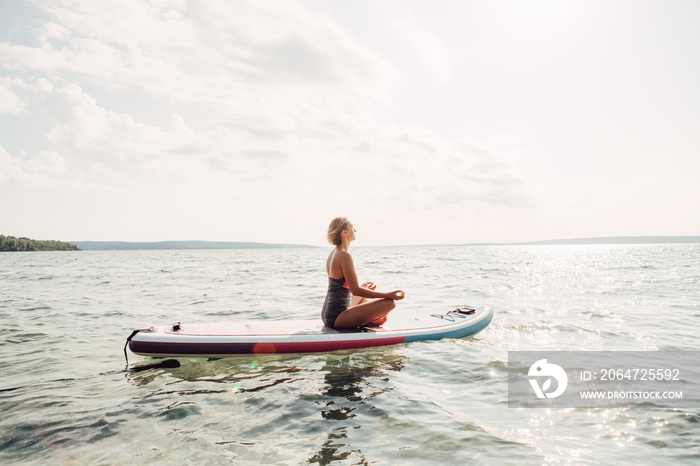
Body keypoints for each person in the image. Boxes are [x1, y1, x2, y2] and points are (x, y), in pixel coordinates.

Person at [321, 217, 405, 329]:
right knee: (389, 303)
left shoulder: (334, 253)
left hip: (328, 313)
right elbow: (355, 290)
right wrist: (387, 295)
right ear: (344, 232)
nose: (355, 230)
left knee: (364, 292)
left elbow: (343, 288)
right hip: (337, 317)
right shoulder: (344, 256)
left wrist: (364, 288)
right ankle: (369, 322)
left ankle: (369, 320)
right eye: (352, 228)